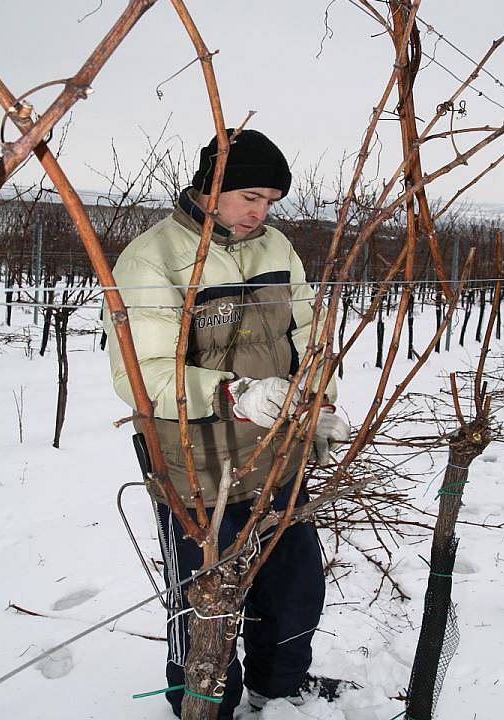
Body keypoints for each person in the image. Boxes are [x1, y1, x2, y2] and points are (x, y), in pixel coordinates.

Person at [104, 129, 350, 718]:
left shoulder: (276, 248)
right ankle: (204, 706)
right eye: (249, 196)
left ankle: (282, 688)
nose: (259, 212)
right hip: (195, 463)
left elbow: (308, 337)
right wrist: (235, 393)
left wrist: (318, 406)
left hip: (276, 453)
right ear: (210, 186)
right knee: (203, 600)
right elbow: (145, 374)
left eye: (269, 201)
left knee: (292, 585)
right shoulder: (153, 257)